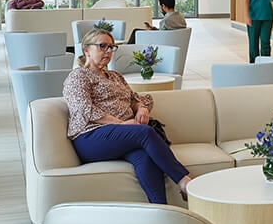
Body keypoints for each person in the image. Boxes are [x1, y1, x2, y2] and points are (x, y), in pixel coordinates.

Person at [63, 27, 191, 204]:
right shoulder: (78, 76)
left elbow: (136, 98)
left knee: (145, 157)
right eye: (102, 46)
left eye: (111, 47)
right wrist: (121, 124)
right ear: (86, 50)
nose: (108, 51)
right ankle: (183, 180)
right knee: (144, 132)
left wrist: (141, 109)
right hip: (91, 136)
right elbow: (83, 109)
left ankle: (161, 210)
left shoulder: (115, 76)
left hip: (121, 137)